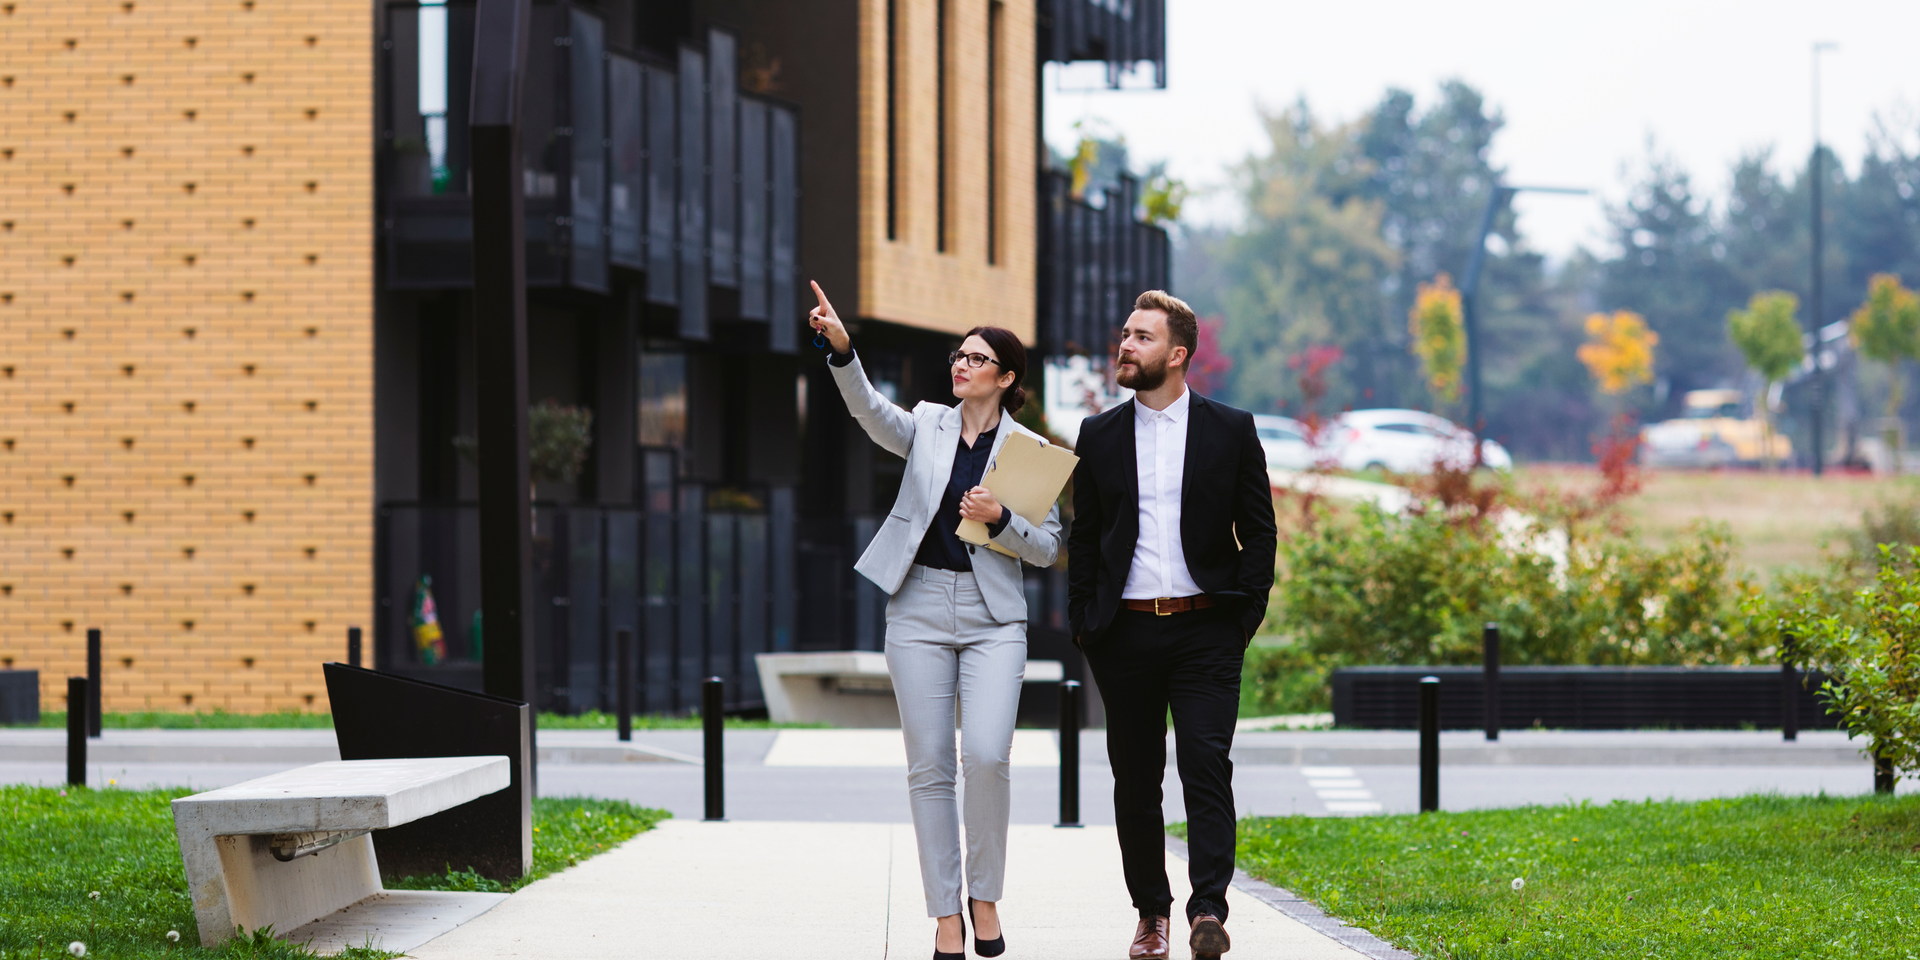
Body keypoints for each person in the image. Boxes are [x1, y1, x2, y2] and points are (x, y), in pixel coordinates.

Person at [808, 281, 1062, 960]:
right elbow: (868, 412)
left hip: (993, 618)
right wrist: (842, 351)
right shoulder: (925, 423)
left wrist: (1001, 520)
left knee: (985, 755)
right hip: (916, 604)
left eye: (977, 359)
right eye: (958, 355)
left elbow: (1048, 548)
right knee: (927, 768)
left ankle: (986, 897)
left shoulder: (1032, 451)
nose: (961, 364)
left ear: (1006, 379)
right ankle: (946, 916)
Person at [1067, 290, 1278, 960]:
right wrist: (1084, 622)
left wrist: (1242, 614)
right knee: (1136, 779)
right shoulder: (1098, 435)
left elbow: (1261, 532)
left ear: (1178, 354)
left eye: (1142, 337)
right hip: (1122, 632)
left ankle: (1207, 909)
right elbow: (1087, 535)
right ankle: (1150, 914)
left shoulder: (1231, 429)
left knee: (1205, 764)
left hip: (1206, 628)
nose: (1125, 346)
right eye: (1125, 334)